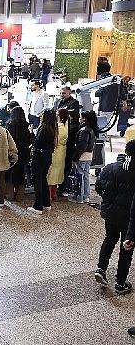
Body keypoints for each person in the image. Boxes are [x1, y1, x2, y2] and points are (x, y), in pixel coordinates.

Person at [96, 140, 135, 294]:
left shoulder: (111, 167)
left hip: (110, 214)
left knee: (109, 239)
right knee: (126, 248)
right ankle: (120, 283)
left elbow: (99, 186)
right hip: (128, 219)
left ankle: (101, 268)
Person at [28, 109, 57, 215]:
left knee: (37, 180)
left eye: (42, 115)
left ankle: (38, 206)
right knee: (43, 179)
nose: (40, 116)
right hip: (47, 156)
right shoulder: (53, 128)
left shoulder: (44, 128)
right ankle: (46, 203)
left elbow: (36, 143)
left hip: (39, 156)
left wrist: (31, 133)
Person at [69, 110, 99, 204]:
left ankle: (79, 197)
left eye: (81, 117)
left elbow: (81, 146)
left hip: (82, 157)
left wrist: (75, 158)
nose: (79, 119)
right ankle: (86, 196)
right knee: (85, 176)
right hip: (89, 156)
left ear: (85, 119)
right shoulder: (92, 129)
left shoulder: (84, 131)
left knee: (80, 176)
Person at [5, 106, 33, 202]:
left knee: (10, 175)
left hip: (12, 153)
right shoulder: (26, 125)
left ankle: (9, 195)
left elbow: (7, 141)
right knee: (21, 175)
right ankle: (19, 196)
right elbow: (29, 140)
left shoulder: (9, 125)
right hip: (23, 153)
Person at [46, 109, 69, 201]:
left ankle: (49, 195)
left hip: (56, 151)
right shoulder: (66, 126)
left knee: (51, 173)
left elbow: (54, 140)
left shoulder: (59, 128)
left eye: (57, 114)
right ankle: (54, 194)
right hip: (62, 151)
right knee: (57, 174)